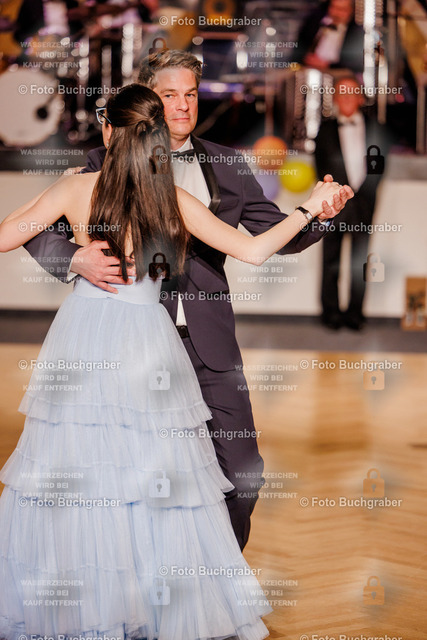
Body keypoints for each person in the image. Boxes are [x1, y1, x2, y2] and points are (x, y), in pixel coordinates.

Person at [0, 83, 351, 640]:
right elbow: (255, 250)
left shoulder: (75, 187)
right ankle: (156, 604)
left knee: (80, 466)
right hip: (147, 339)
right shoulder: (171, 199)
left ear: (108, 131)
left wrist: (71, 243)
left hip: (84, 335)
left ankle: (86, 604)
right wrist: (311, 206)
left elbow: (4, 236)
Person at [314, 75, 390, 330]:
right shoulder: (324, 130)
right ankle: (331, 314)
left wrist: (365, 194)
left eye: (351, 92)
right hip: (333, 206)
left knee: (360, 262)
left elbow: (380, 166)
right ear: (335, 98)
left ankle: (356, 314)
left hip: (365, 205)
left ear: (360, 97)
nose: (346, 98)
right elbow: (319, 169)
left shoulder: (376, 128)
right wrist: (334, 197)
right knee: (330, 261)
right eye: (341, 93)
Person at [295, 0, 364, 74]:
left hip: (339, 73)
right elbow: (299, 48)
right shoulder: (315, 22)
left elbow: (354, 64)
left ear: (351, 11)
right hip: (309, 69)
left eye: (341, 9)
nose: (336, 13)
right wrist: (306, 58)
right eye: (334, 8)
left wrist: (328, 65)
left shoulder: (356, 33)